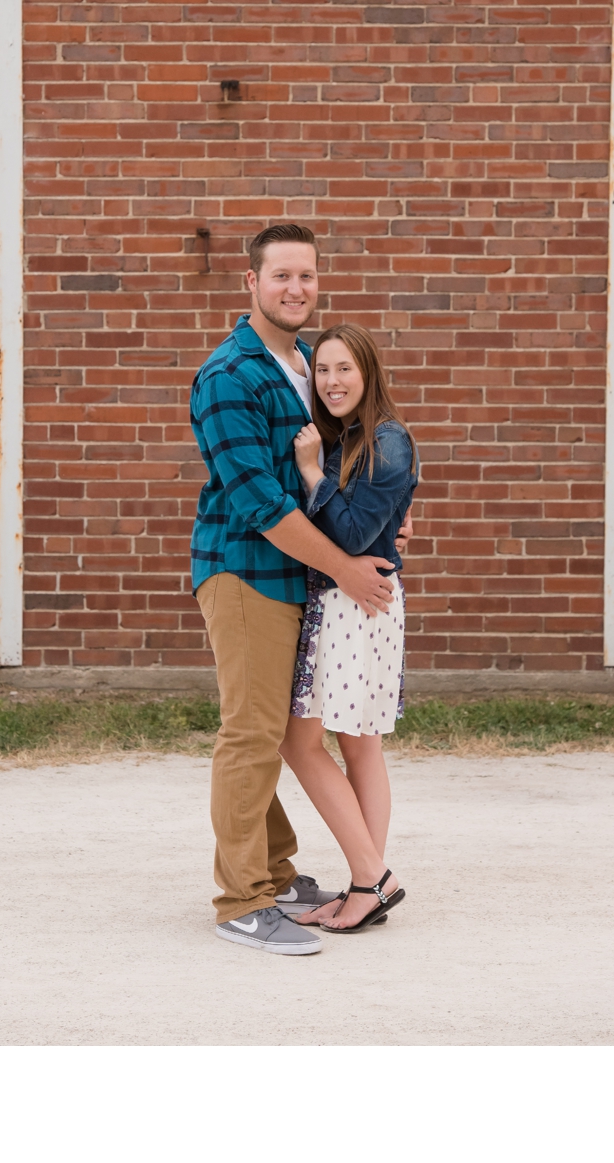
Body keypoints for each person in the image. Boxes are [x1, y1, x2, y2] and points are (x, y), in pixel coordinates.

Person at [192, 224, 396, 956]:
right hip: (246, 570)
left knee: (276, 733)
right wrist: (345, 567)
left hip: (299, 576)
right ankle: (242, 900)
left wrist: (377, 533)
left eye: (306, 276)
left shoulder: (309, 364)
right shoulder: (229, 376)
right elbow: (259, 502)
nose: (296, 288)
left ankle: (274, 872)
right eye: (281, 276)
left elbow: (339, 474)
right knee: (250, 734)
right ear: (251, 282)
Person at [280, 323, 420, 934]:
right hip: (356, 604)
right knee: (360, 744)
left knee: (301, 739)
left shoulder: (384, 441)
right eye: (325, 372)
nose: (333, 382)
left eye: (345, 370)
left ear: (369, 375)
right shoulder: (359, 439)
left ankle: (372, 878)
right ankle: (367, 881)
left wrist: (310, 471)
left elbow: (355, 536)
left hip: (357, 607)